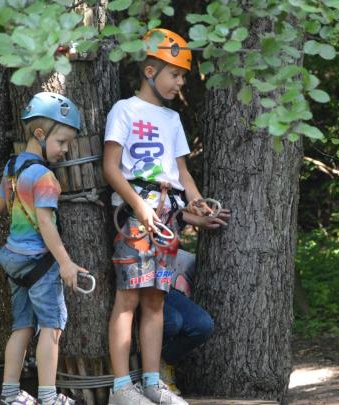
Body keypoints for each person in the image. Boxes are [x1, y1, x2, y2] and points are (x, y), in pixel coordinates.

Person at [103, 28, 211, 405]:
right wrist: (137, 205)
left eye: (182, 75)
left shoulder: (172, 119)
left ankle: (151, 381)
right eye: (175, 74)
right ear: (150, 70)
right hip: (136, 212)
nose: (180, 82)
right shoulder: (124, 110)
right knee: (128, 299)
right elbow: (111, 168)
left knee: (156, 302)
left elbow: (182, 174)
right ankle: (121, 387)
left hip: (167, 215)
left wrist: (196, 202)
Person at [0, 92, 88, 405]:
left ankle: (9, 394)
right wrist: (66, 263)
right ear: (39, 134)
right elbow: (46, 225)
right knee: (51, 327)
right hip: (38, 263)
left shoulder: (13, 166)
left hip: (13, 259)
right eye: (61, 141)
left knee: (22, 327)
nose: (65, 150)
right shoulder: (44, 176)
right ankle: (48, 397)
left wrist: (12, 191)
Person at [161, 209, 230, 393]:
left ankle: (162, 361)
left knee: (202, 325)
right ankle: (146, 371)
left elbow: (177, 212)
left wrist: (203, 217)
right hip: (136, 286)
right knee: (172, 321)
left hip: (164, 284)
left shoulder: (171, 202)